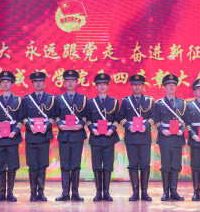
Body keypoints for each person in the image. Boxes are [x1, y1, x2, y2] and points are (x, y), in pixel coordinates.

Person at [118, 74, 155, 201]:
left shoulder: (149, 100)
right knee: (133, 165)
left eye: (139, 85)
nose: (137, 87)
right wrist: (128, 126)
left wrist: (146, 125)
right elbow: (120, 117)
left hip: (145, 136)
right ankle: (135, 192)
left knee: (145, 165)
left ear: (143, 86)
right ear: (131, 86)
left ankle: (144, 192)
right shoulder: (126, 101)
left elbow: (153, 117)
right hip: (131, 136)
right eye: (134, 85)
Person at [21, 71, 56, 202]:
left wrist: (47, 125)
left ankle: (41, 192)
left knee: (42, 165)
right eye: (35, 81)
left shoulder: (51, 98)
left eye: (40, 81)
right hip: (31, 135)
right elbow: (23, 117)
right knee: (32, 166)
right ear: (32, 83)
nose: (38, 83)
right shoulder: (26, 99)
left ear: (44, 83)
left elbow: (54, 116)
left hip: (44, 136)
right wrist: (30, 126)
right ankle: (33, 193)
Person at [0, 71, 23, 202]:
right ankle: (1, 192)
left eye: (8, 82)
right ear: (0, 84)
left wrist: (15, 131)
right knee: (1, 165)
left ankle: (10, 192)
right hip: (0, 137)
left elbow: (20, 119)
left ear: (12, 84)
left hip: (13, 137)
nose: (5, 84)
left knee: (13, 165)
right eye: (3, 82)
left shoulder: (18, 100)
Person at [55, 69, 88, 202]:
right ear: (64, 82)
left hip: (77, 135)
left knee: (75, 165)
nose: (70, 83)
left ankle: (75, 193)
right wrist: (60, 125)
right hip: (64, 135)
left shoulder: (83, 98)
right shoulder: (59, 99)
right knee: (64, 165)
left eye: (72, 80)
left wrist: (81, 124)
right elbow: (56, 115)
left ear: (76, 82)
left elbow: (85, 115)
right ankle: (64, 193)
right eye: (67, 80)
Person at [153, 74, 187, 201]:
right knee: (166, 164)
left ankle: (174, 191)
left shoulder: (182, 103)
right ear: (164, 87)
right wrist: (162, 129)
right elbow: (155, 120)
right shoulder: (159, 103)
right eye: (169, 85)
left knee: (176, 165)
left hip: (177, 138)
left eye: (173, 85)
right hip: (165, 137)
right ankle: (165, 192)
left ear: (176, 87)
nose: (171, 87)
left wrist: (182, 130)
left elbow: (186, 120)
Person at [87, 73, 120, 201]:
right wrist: (92, 129)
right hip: (95, 137)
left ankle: (106, 192)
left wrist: (112, 129)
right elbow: (87, 119)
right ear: (96, 86)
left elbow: (117, 119)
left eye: (104, 84)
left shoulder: (114, 101)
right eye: (99, 84)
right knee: (96, 165)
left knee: (107, 165)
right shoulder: (90, 102)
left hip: (109, 137)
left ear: (107, 86)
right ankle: (98, 192)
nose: (102, 86)